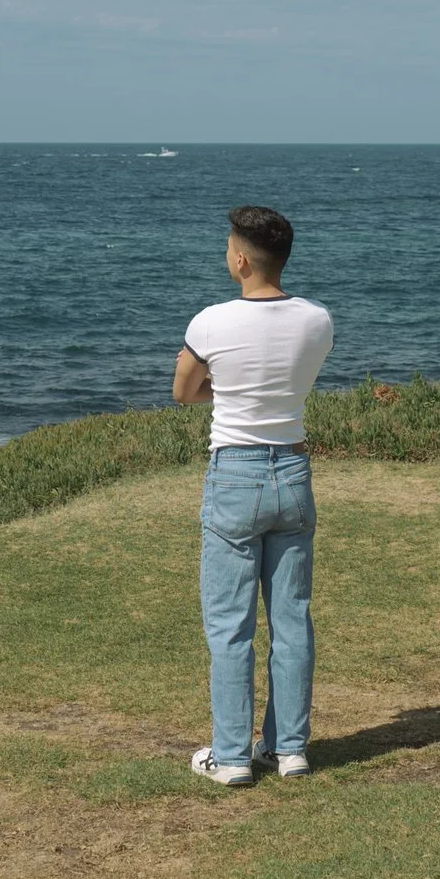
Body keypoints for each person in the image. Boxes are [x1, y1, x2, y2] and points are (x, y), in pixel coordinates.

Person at [175, 205, 335, 787]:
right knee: (292, 618)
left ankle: (232, 755)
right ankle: (288, 749)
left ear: (240, 259)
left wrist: (223, 381)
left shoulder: (211, 322)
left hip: (235, 474)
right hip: (292, 471)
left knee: (230, 624)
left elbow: (184, 391)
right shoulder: (317, 319)